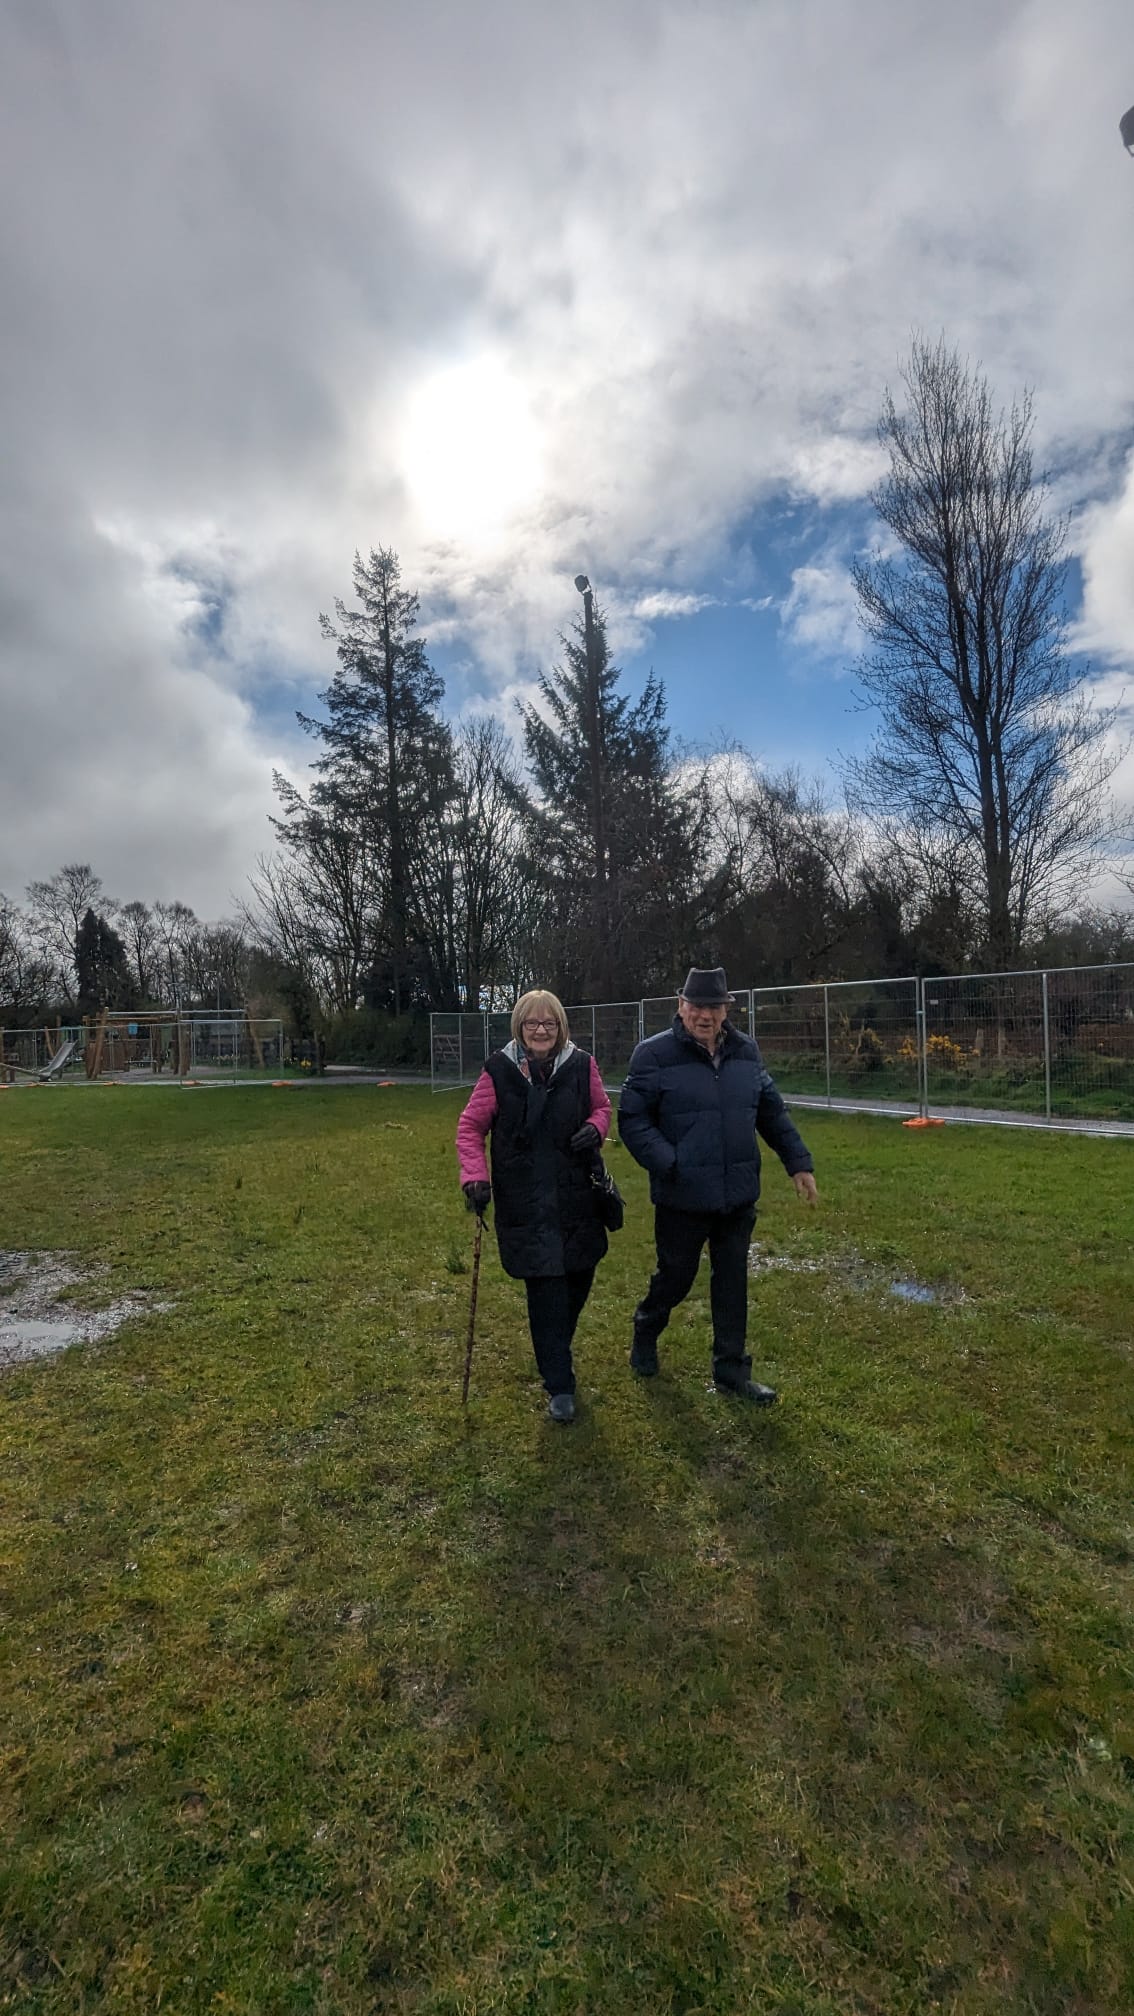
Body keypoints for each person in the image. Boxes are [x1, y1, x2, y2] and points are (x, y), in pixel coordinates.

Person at [619, 966, 818, 1404]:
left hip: (736, 1193)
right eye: (696, 1006)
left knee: (732, 1282)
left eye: (713, 1007)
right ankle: (646, 1328)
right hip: (682, 1196)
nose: (704, 1015)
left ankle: (732, 1371)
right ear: (681, 1006)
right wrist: (670, 1163)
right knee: (676, 1277)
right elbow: (632, 1120)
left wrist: (798, 1163)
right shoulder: (652, 1055)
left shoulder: (746, 1051)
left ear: (726, 1010)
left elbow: (771, 1112)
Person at [456, 988, 612, 1424]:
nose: (541, 1030)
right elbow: (470, 1127)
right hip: (526, 1202)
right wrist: (475, 1176)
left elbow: (602, 1107)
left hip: (577, 1198)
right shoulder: (500, 1070)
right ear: (519, 1027)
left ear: (560, 1027)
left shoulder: (581, 1065)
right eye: (532, 1023)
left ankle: (554, 1348)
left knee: (578, 1279)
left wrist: (596, 1128)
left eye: (549, 1023)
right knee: (546, 1294)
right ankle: (559, 1384)